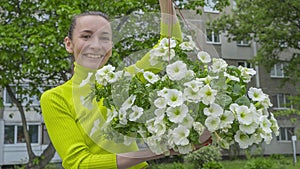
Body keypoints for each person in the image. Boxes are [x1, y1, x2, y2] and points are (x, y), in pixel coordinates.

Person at [41, 0, 211, 168]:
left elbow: (169, 46)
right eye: (86, 36)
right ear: (69, 44)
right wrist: (163, 150)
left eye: (105, 38)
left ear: (111, 46)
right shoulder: (55, 98)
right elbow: (79, 163)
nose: (96, 45)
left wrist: (165, 2)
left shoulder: (124, 81)